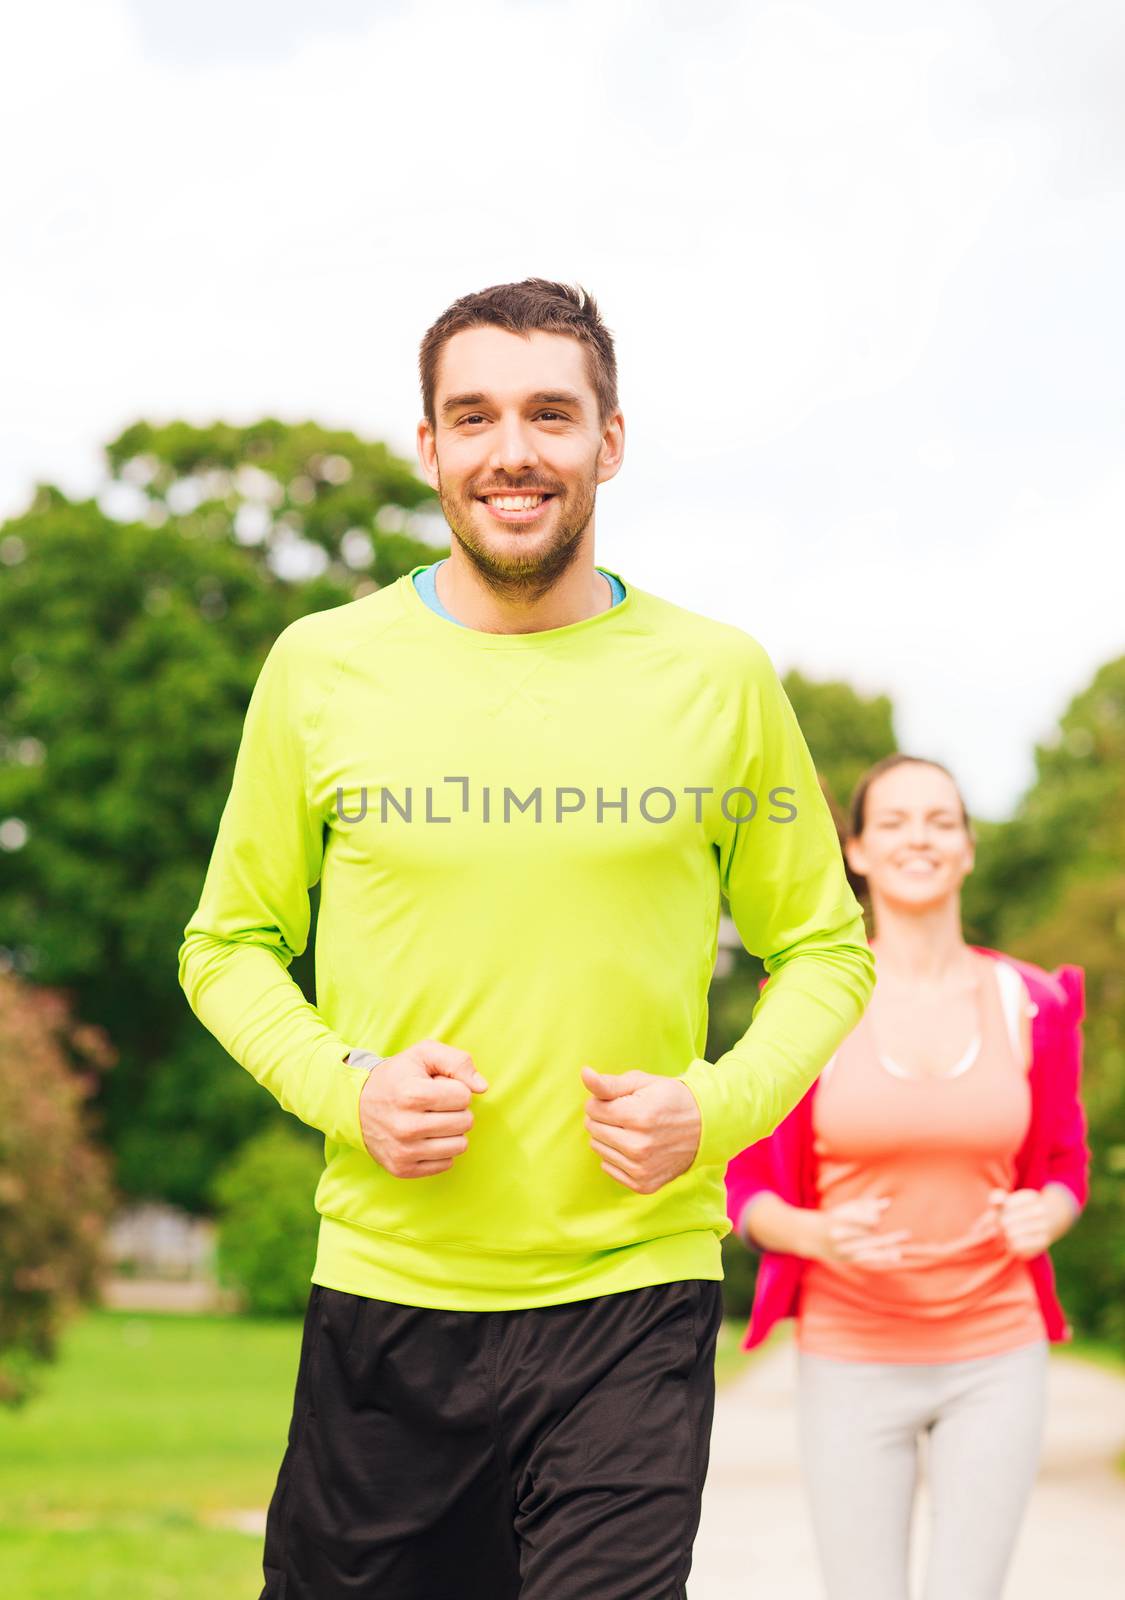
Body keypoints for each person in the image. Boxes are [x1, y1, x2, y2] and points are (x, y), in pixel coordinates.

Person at [178, 277, 876, 1599]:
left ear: (608, 441)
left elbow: (827, 952)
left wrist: (714, 1110)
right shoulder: (320, 669)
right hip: (390, 1297)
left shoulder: (718, 678)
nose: (515, 450)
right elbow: (228, 944)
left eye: (551, 414)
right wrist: (350, 1090)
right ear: (429, 445)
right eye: (476, 416)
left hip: (631, 1296)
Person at [727, 753, 1089, 1600]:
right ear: (855, 850)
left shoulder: (1029, 1002)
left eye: (939, 821)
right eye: (892, 821)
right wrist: (810, 1233)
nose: (917, 838)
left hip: (995, 1352)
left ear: (966, 847)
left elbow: (1066, 1163)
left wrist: (1051, 1210)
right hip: (850, 1353)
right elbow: (739, 1184)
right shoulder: (807, 1001)